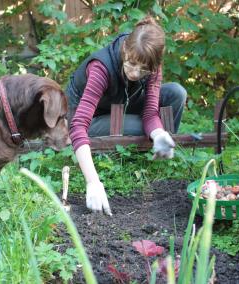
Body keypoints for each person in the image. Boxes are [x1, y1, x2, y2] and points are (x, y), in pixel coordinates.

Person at [65, 16, 187, 216]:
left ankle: (155, 147)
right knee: (137, 128)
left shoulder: (151, 64)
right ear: (124, 50)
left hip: (119, 104)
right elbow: (78, 125)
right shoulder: (101, 68)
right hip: (91, 117)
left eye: (143, 70)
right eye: (131, 64)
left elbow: (150, 112)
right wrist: (93, 182)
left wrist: (158, 134)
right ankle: (127, 152)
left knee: (176, 92)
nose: (135, 73)